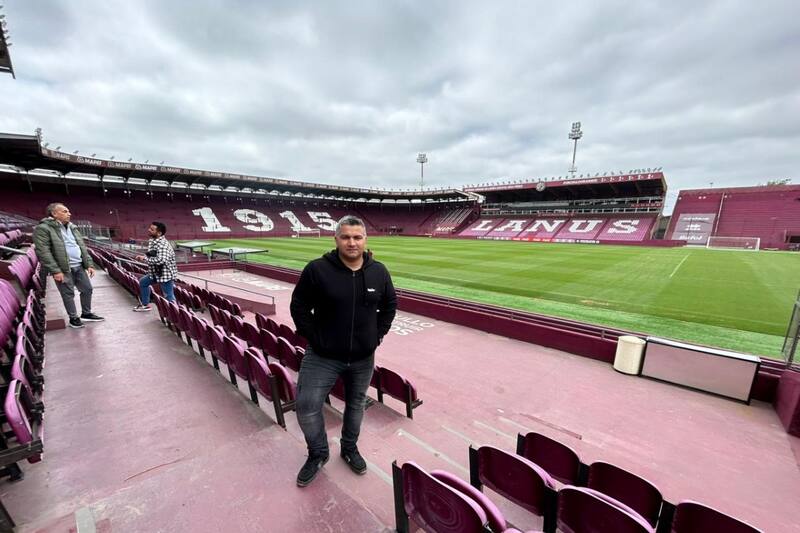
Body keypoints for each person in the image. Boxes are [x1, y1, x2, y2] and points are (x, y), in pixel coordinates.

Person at [290, 215, 397, 487]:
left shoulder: (379, 272)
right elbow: (299, 306)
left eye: (357, 237)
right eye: (346, 237)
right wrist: (316, 337)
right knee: (306, 406)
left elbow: (389, 306)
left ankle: (349, 448)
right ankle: (318, 453)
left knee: (356, 405)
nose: (352, 242)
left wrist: (377, 335)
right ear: (336, 239)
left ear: (365, 240)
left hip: (362, 358)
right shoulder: (317, 269)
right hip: (322, 356)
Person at [33, 203, 104, 329]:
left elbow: (81, 247)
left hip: (79, 266)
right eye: (65, 211)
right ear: (54, 214)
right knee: (68, 293)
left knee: (87, 289)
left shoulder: (72, 227)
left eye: (68, 211)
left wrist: (89, 264)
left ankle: (86, 313)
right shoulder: (43, 228)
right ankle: (73, 318)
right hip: (63, 269)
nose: (69, 214)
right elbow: (43, 252)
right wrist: (55, 270)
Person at [132, 221, 178, 310]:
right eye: (150, 228)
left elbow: (161, 260)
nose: (149, 230)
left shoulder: (163, 245)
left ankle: (177, 314)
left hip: (165, 274)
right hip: (156, 272)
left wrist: (144, 259)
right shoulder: (154, 240)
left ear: (159, 233)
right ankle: (145, 305)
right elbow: (152, 253)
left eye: (152, 229)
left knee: (168, 295)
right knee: (143, 282)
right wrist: (144, 256)